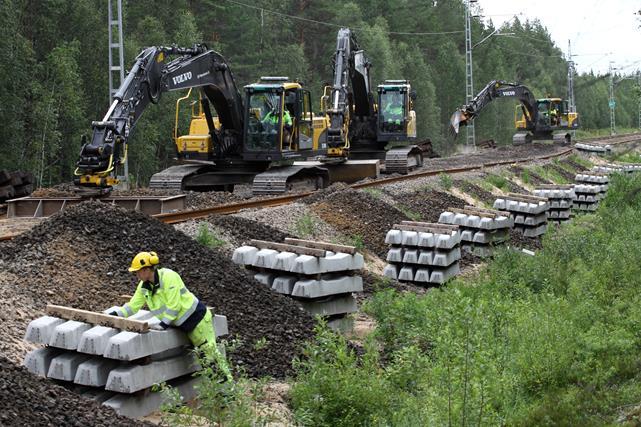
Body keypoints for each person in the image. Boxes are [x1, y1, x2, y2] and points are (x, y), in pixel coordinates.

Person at [110, 251, 232, 381]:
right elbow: (133, 306)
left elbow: (174, 305)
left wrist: (163, 324)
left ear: (146, 270)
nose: (136, 275)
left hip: (197, 320)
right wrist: (116, 314)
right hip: (183, 324)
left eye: (137, 271)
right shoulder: (144, 286)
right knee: (205, 361)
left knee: (210, 357)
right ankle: (220, 391)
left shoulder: (169, 277)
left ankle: (230, 392)